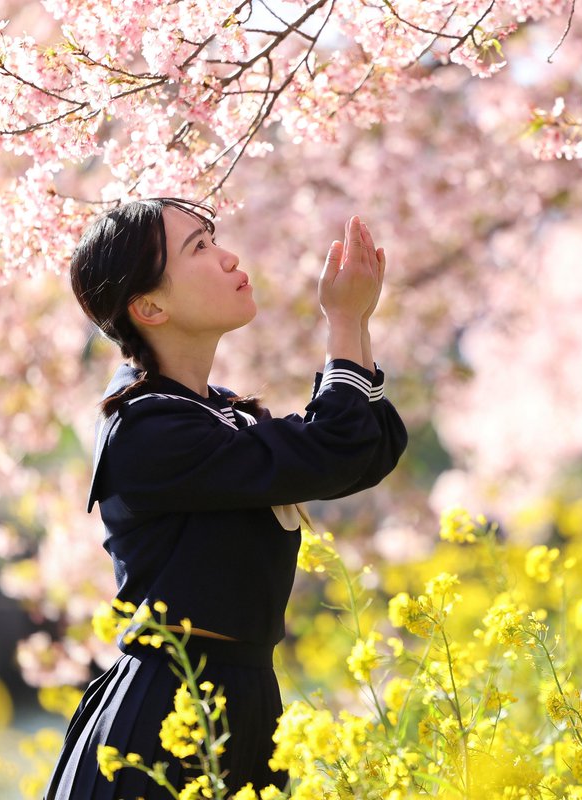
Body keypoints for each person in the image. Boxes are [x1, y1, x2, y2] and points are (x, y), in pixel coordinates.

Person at [44, 197, 408, 799]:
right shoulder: (148, 429)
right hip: (167, 717)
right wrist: (343, 325)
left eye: (213, 240)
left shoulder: (213, 414)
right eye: (199, 249)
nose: (228, 256)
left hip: (244, 698)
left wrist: (359, 323)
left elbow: (369, 449)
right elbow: (336, 446)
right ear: (149, 306)